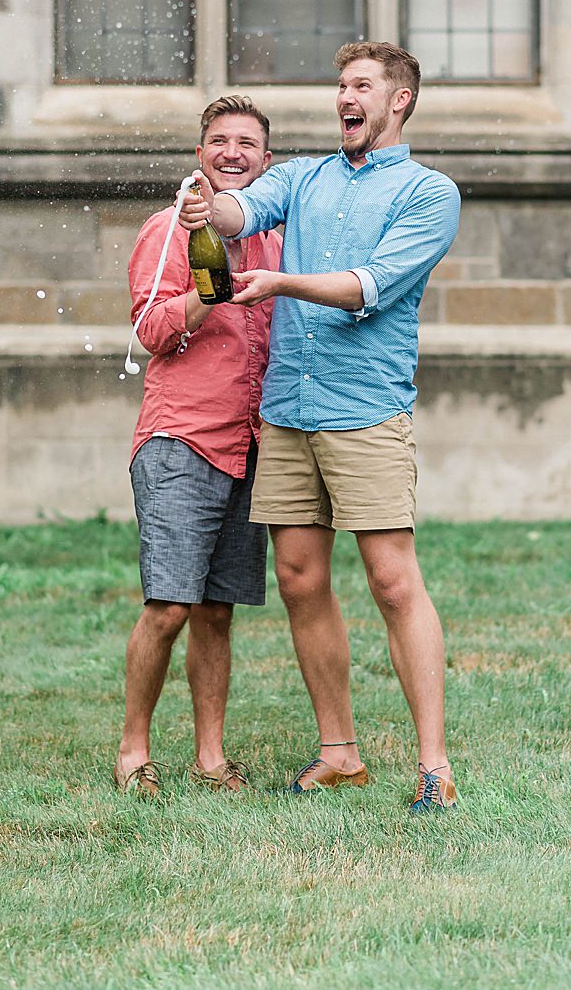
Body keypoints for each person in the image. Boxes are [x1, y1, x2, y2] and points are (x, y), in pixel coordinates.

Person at [179, 43, 462, 815]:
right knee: (301, 579)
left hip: (365, 408)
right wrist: (213, 205)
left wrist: (279, 281)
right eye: (341, 85)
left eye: (362, 85)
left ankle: (434, 764)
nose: (347, 96)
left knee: (393, 581)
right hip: (289, 408)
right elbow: (245, 209)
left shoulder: (430, 193)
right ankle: (339, 751)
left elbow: (367, 285)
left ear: (397, 101)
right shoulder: (301, 176)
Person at [114, 95, 282, 798]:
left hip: (250, 445)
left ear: (267, 161)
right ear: (200, 154)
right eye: (220, 140)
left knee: (218, 608)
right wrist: (208, 294)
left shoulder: (274, 240)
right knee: (170, 604)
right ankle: (133, 749)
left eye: (247, 141)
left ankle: (210, 757)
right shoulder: (168, 229)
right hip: (180, 440)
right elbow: (150, 329)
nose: (233, 151)